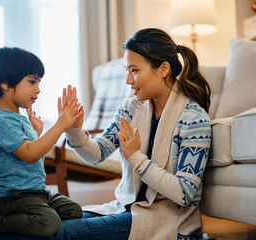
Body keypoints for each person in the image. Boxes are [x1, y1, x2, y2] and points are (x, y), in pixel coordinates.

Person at [53, 27, 212, 240]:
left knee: (61, 233)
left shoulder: (195, 120)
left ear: (163, 69)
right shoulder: (131, 109)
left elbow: (184, 193)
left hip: (165, 219)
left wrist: (136, 157)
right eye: (127, 71)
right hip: (124, 208)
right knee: (50, 222)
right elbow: (97, 153)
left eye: (134, 70)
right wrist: (74, 131)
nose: (128, 81)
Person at [0, 47, 83, 237]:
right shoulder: (1, 121)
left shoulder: (18, 119)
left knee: (73, 211)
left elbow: (28, 151)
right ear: (5, 84)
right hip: (11, 197)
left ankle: (23, 225)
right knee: (48, 222)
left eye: (39, 82)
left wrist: (37, 132)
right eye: (32, 81)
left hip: (35, 192)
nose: (38, 89)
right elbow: (30, 154)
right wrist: (60, 125)